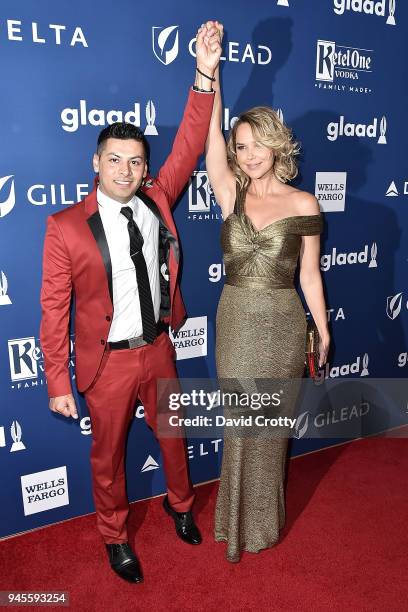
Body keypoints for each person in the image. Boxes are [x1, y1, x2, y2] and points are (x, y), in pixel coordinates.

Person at [40, 23, 222, 583]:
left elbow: (191, 140)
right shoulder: (66, 226)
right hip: (108, 361)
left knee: (174, 436)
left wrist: (204, 73)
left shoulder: (158, 198)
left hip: (159, 345)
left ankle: (181, 505)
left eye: (135, 161)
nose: (126, 171)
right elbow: (53, 308)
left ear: (146, 168)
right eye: (115, 160)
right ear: (96, 164)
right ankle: (115, 536)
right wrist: (56, 380)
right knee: (108, 458)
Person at [204, 22, 330, 562]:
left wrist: (321, 329)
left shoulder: (304, 204)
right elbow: (210, 142)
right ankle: (233, 523)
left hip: (282, 321)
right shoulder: (229, 190)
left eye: (258, 145)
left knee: (271, 427)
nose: (249, 155)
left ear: (277, 146)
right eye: (241, 146)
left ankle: (261, 524)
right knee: (240, 422)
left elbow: (309, 276)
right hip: (234, 315)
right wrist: (210, 74)